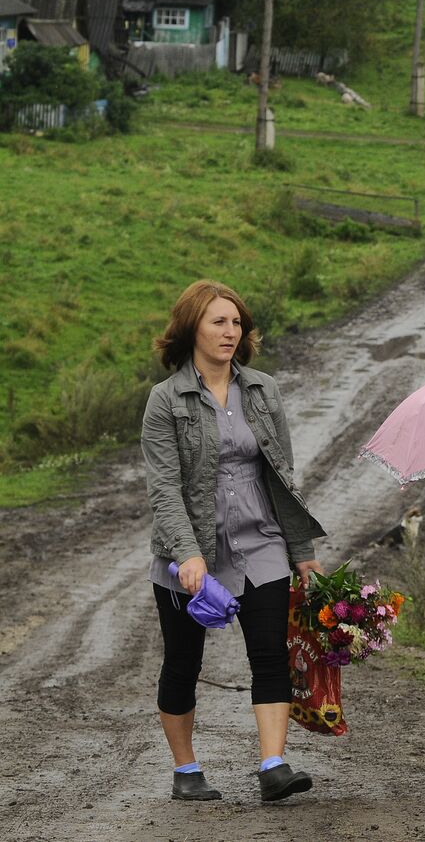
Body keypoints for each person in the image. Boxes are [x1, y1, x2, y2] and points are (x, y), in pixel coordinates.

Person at [141, 279, 326, 802]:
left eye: (236, 322)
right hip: (191, 550)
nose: (230, 331)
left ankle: (273, 765)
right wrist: (188, 553)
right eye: (218, 321)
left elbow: (282, 475)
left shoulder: (263, 389)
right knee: (183, 663)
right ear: (191, 328)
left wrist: (302, 552)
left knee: (270, 654)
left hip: (261, 540)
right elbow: (164, 487)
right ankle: (186, 770)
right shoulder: (165, 400)